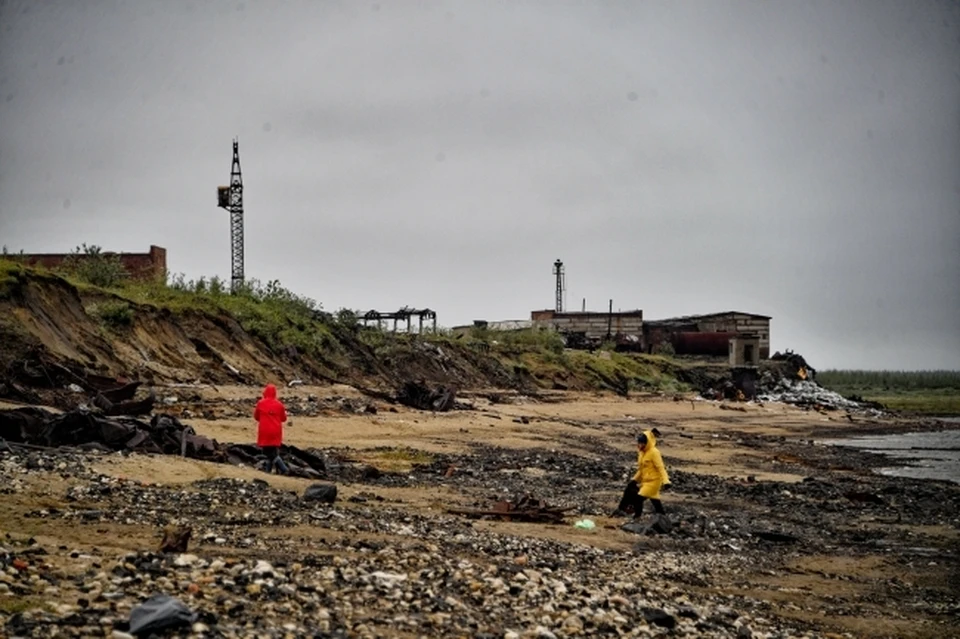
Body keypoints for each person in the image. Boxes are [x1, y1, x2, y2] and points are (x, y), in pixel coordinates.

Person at [613, 428, 670, 518]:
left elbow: (661, 468)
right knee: (655, 500)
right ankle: (663, 516)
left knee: (638, 499)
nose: (639, 445)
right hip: (645, 481)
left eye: (641, 443)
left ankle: (637, 517)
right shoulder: (642, 453)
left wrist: (666, 481)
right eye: (638, 443)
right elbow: (641, 469)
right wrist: (634, 480)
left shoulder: (654, 453)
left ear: (646, 443)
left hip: (654, 481)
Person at [254, 383, 289, 475]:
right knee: (273, 451)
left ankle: (283, 468)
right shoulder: (279, 404)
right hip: (276, 431)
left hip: (264, 430)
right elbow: (284, 418)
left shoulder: (261, 403)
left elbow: (256, 417)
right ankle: (269, 470)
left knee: (268, 452)